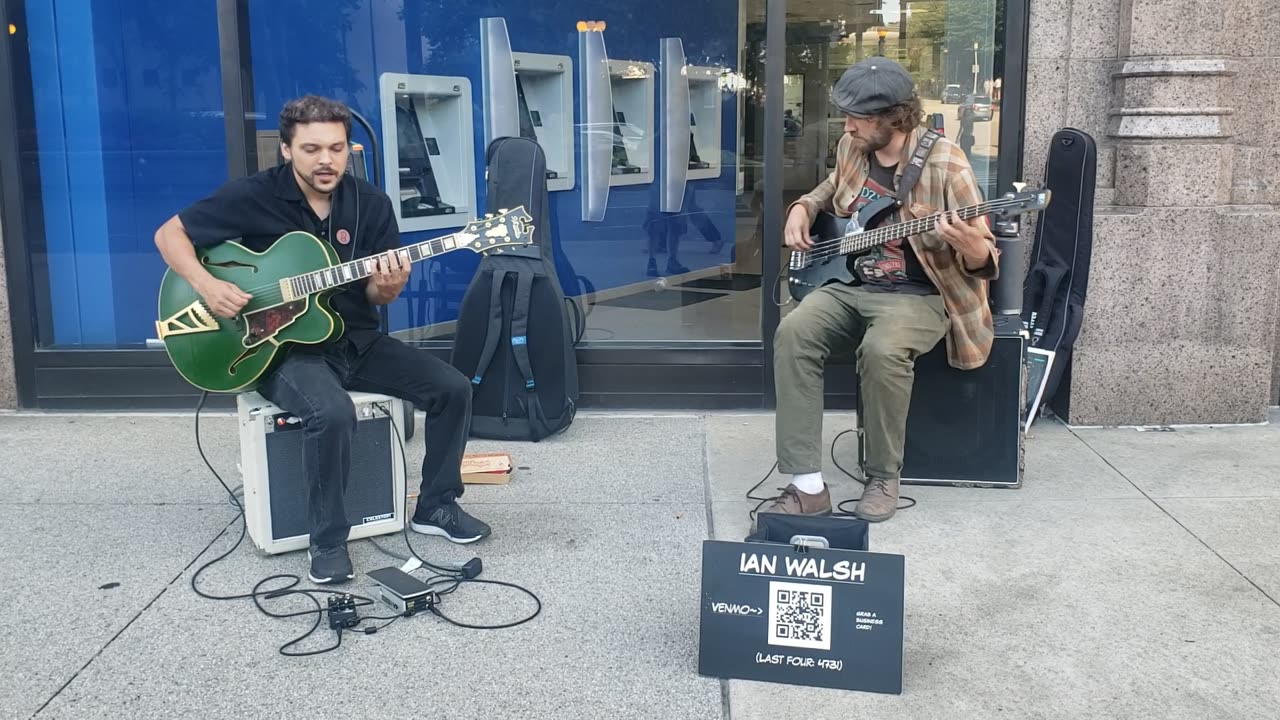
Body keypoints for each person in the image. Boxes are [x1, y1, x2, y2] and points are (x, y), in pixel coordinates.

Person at [154, 95, 490, 584]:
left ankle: (436, 507)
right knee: (331, 412)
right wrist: (208, 285)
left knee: (454, 388)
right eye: (311, 149)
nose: (326, 160)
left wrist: (389, 286)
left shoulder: (370, 203)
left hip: (354, 338)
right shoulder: (253, 196)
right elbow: (170, 236)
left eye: (336, 148)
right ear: (287, 149)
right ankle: (327, 541)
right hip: (283, 347)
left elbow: (377, 294)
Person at [762, 58, 998, 524]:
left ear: (895, 116)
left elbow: (985, 256)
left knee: (883, 349)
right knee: (793, 332)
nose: (847, 125)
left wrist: (971, 245)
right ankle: (807, 486)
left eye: (858, 117)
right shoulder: (853, 146)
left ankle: (884, 475)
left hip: (920, 294)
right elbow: (834, 187)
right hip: (849, 282)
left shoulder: (946, 162)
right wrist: (803, 207)